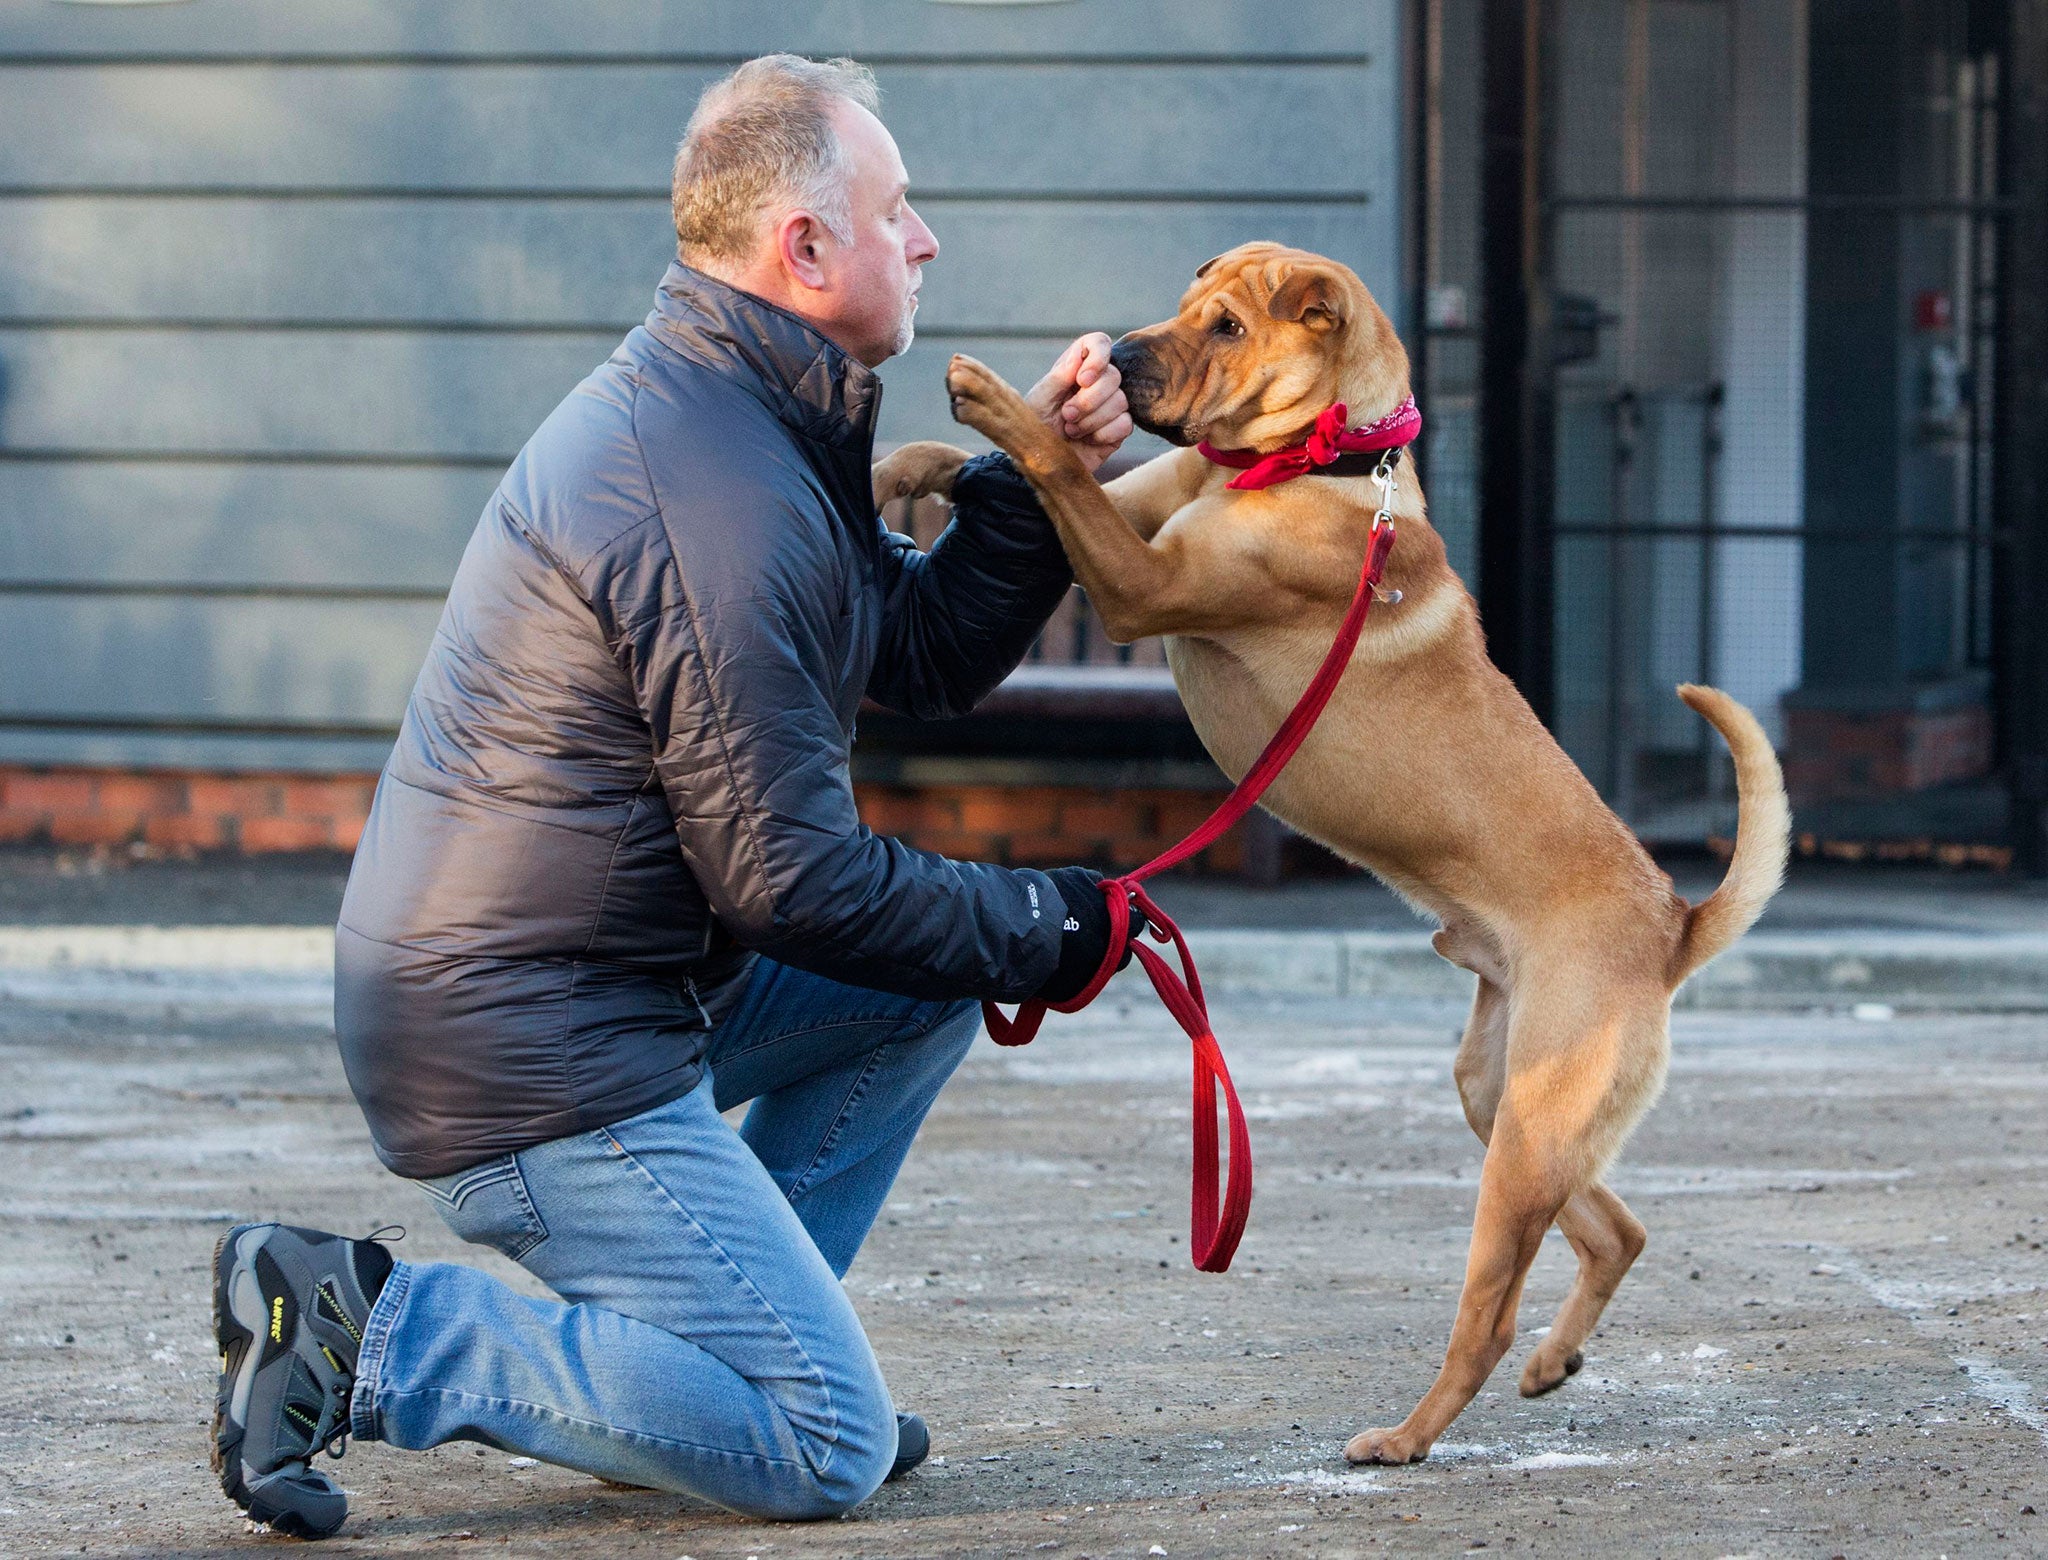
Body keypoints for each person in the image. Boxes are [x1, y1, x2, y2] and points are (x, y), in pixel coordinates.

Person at [209, 54, 1141, 1540]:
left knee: (917, 989)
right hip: (525, 1050)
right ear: (806, 248)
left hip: (601, 990)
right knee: (822, 1446)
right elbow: (791, 878)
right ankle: (370, 1333)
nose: (928, 241)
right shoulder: (711, 485)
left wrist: (1026, 484)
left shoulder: (746, 421)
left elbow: (913, 645)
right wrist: (1044, 920)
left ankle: (726, 1368)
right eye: (900, 210)